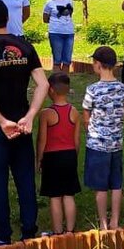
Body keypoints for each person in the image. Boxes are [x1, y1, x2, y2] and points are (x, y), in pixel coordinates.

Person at [0, 0, 48, 245]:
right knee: (25, 180)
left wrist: (2, 122)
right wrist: (30, 115)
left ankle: (3, 236)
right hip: (23, 124)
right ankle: (29, 232)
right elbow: (43, 84)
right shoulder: (25, 47)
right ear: (7, 18)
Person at [82, 46, 124, 230]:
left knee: (100, 187)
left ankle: (103, 223)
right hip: (116, 143)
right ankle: (115, 221)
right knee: (116, 184)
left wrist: (90, 130)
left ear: (98, 64)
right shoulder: (122, 88)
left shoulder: (92, 89)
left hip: (97, 144)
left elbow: (86, 113)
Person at [36, 71, 80, 235]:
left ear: (51, 90)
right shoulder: (74, 112)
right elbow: (76, 140)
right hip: (69, 155)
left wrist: (39, 159)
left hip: (52, 158)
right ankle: (70, 230)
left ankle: (57, 232)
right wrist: (74, 156)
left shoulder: (46, 113)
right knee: (69, 194)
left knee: (55, 196)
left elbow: (42, 140)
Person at [43, 0, 76, 73]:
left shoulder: (69, 0)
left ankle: (64, 81)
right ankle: (57, 81)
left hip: (69, 33)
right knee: (57, 60)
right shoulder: (49, 2)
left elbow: (70, 15)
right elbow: (45, 18)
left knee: (67, 60)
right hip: (55, 33)